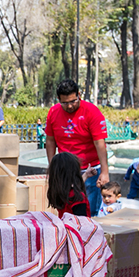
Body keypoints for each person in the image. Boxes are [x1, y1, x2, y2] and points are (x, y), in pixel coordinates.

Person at [45, 79, 109, 216]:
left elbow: (100, 143)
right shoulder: (53, 112)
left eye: (73, 101)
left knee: (87, 210)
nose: (69, 106)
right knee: (66, 211)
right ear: (58, 99)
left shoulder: (91, 111)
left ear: (79, 95)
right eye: (65, 103)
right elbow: (50, 141)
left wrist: (104, 171)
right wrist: (53, 167)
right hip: (65, 171)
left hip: (89, 168)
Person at [46, 152, 95, 218]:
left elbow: (71, 188)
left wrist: (86, 175)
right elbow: (81, 223)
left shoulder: (59, 192)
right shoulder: (77, 197)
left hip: (65, 226)